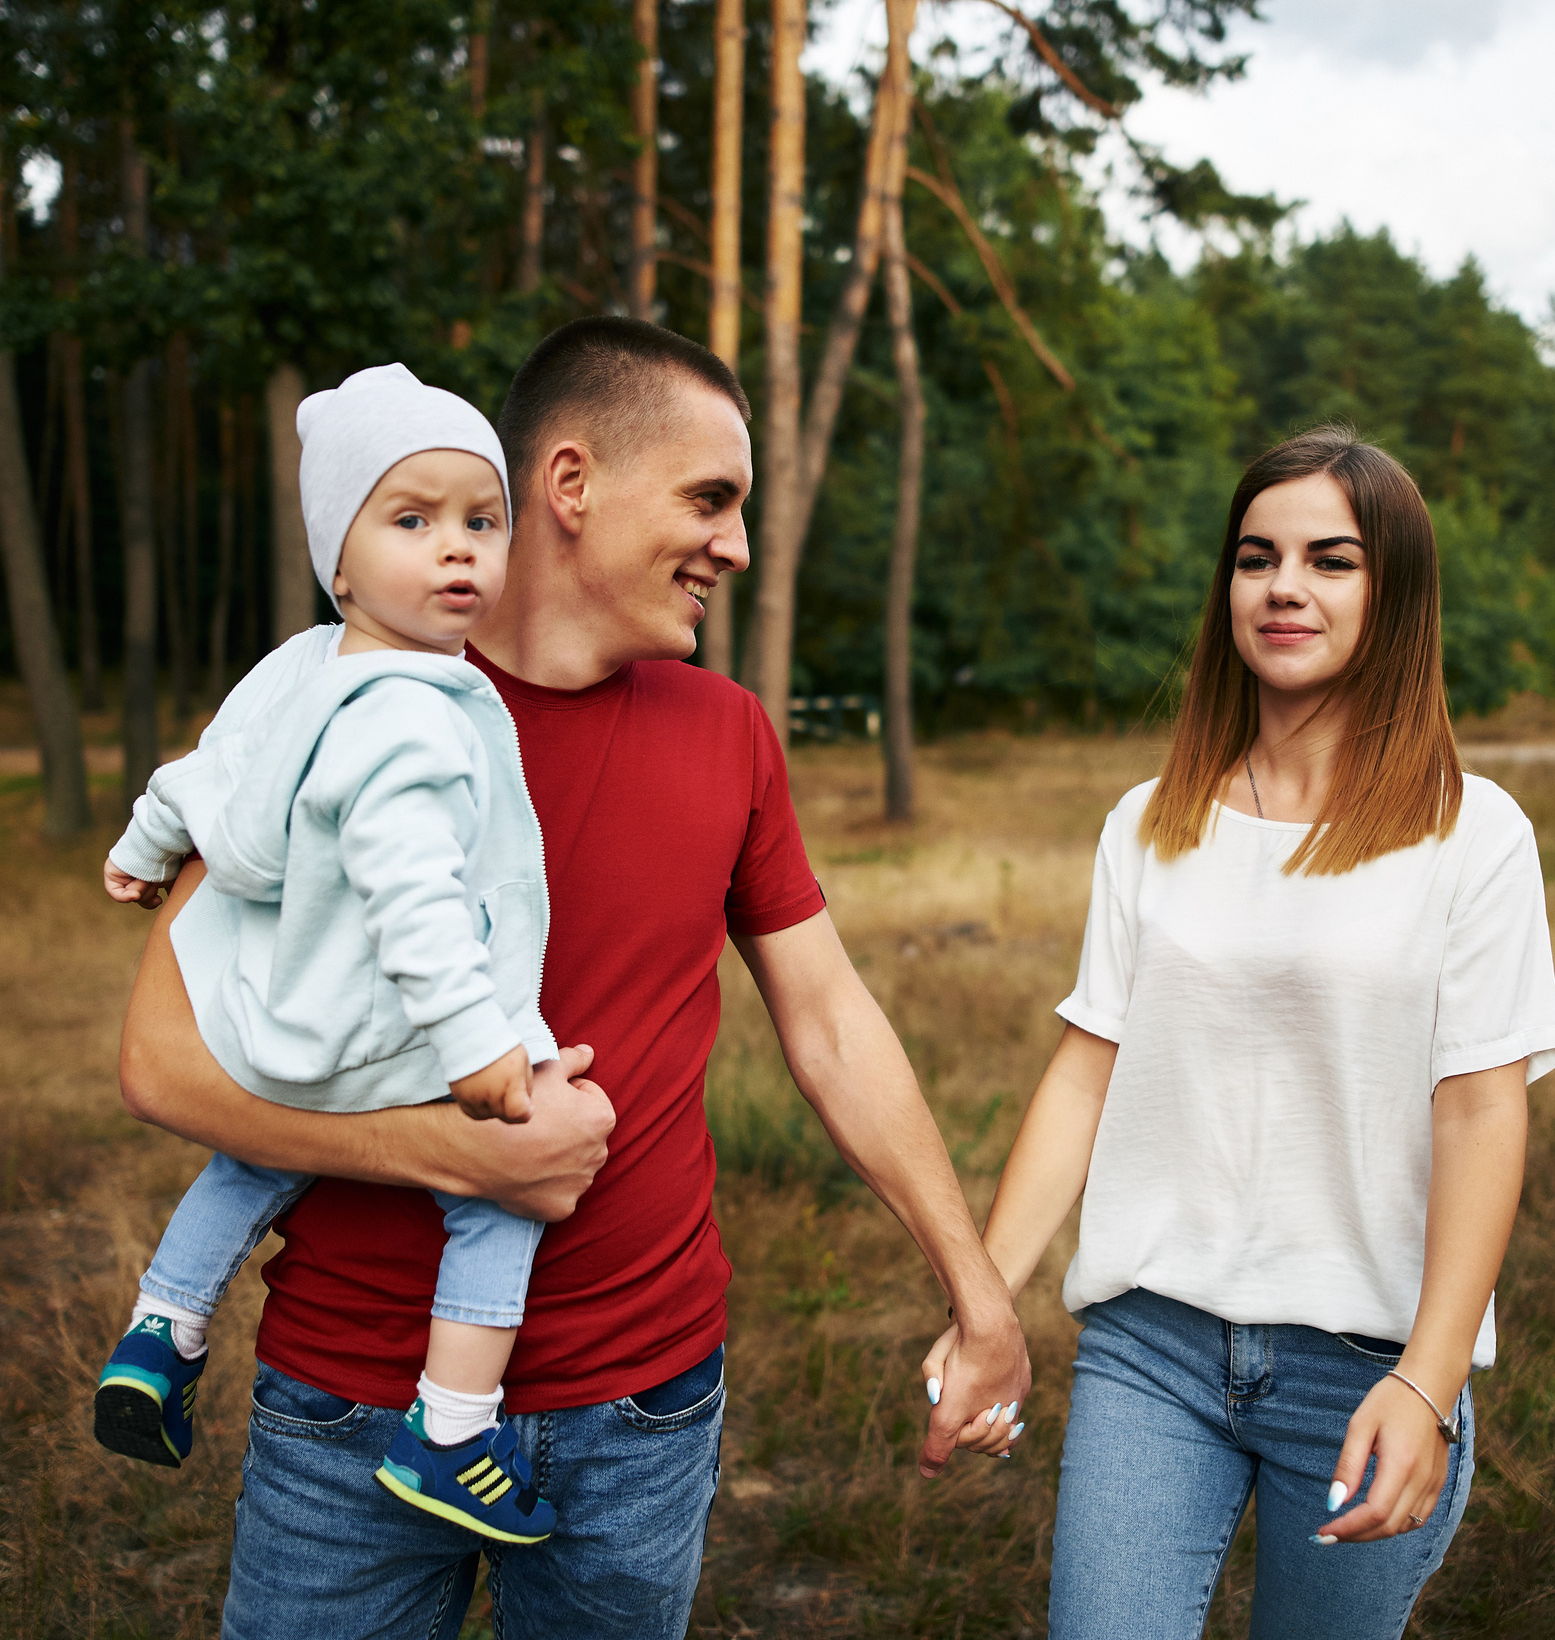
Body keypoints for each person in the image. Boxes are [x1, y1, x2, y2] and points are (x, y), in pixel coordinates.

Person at [115, 317, 1032, 1639]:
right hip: (348, 1401)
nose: (739, 545)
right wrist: (459, 1154)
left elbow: (830, 1019)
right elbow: (160, 1059)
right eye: (710, 501)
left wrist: (978, 1291)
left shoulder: (726, 732)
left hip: (642, 1406)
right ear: (571, 485)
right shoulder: (342, 702)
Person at [924, 425, 1555, 1638]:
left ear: (1396, 592)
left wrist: (1426, 1383)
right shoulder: (1148, 821)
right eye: (1254, 556)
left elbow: (1483, 1108)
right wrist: (985, 1303)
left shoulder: (1474, 835)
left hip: (1364, 1363)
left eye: (1331, 559)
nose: (1282, 586)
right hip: (1150, 1348)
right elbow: (1085, 1071)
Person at [92, 364, 576, 1545]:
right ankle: (453, 1429)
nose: (457, 549)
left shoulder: (299, 666)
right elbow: (416, 896)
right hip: (402, 1028)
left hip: (283, 1025)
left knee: (248, 1160)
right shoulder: (417, 711)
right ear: (340, 558)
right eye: (413, 521)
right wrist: (480, 1048)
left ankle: (161, 1328)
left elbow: (202, 771)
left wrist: (142, 844)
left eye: (481, 520)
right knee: (508, 1187)